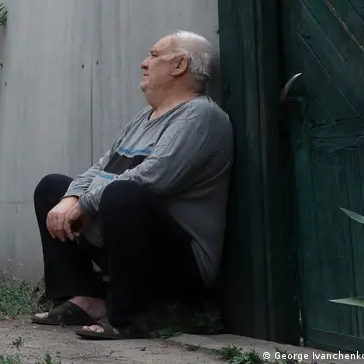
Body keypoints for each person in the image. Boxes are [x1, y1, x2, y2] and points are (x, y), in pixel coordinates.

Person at [29, 30, 233, 340]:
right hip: (125, 241)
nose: (144, 63)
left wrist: (84, 205)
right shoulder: (144, 118)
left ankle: (128, 317)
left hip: (183, 262)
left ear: (179, 65)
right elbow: (103, 165)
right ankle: (85, 300)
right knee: (52, 188)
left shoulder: (201, 117)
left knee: (124, 193)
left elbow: (152, 178)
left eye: (153, 55)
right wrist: (72, 198)